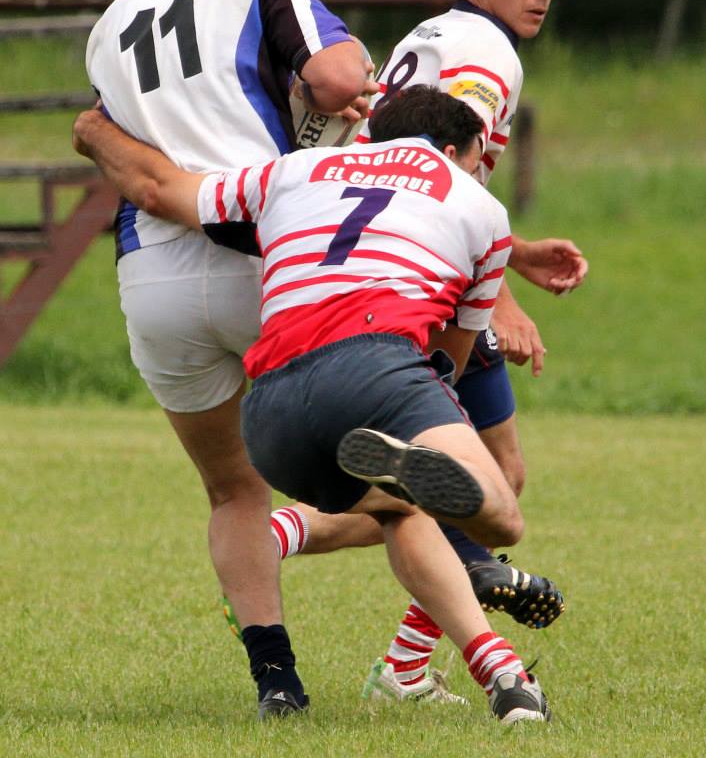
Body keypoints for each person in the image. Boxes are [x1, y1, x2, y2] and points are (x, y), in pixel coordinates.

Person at [73, 85, 557, 723]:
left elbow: (161, 188)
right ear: (453, 151)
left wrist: (95, 133)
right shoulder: (478, 206)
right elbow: (451, 362)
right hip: (376, 362)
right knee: (501, 515)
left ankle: (505, 680)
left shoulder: (295, 169)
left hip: (270, 405)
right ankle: (429, 501)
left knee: (401, 507)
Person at [270, 0, 587, 698]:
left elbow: (402, 168)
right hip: (431, 285)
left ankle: (403, 659)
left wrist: (512, 257)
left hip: (374, 265)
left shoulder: (431, 36)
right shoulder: (489, 53)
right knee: (483, 481)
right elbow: (449, 171)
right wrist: (499, 297)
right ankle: (292, 535)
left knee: (464, 480)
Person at [82, 0, 374, 718]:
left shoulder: (110, 24)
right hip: (266, 253)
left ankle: (276, 681)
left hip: (156, 273)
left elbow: (114, 138)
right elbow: (335, 81)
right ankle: (472, 602)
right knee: (409, 454)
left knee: (233, 489)